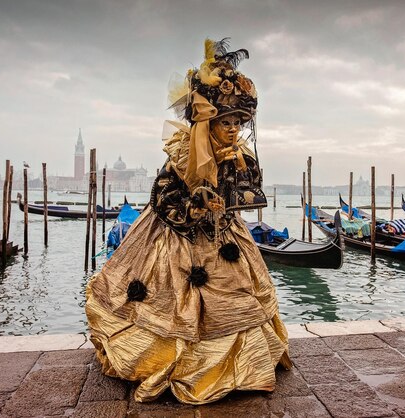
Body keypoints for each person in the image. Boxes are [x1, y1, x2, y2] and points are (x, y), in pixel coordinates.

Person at [85, 38, 291, 405]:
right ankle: (177, 362)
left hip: (224, 237)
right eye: (226, 122)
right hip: (175, 241)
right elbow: (162, 198)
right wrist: (195, 206)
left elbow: (245, 192)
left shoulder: (240, 154)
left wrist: (232, 196)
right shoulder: (182, 154)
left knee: (238, 302)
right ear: (208, 120)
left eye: (238, 122)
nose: (232, 130)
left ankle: (243, 365)